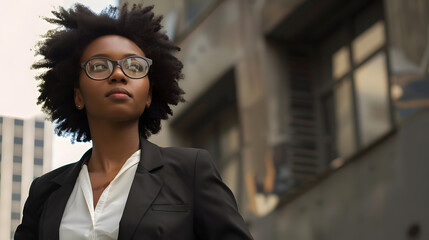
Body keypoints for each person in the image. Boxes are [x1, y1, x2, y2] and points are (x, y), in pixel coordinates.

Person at [15, 3, 254, 240]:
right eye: (99, 66)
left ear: (149, 95)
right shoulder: (45, 192)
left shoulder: (190, 171)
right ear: (78, 96)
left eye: (134, 66)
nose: (118, 74)